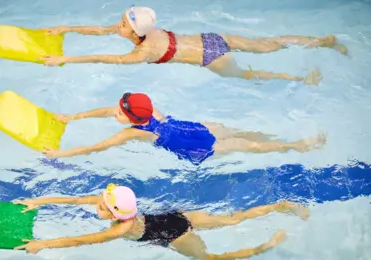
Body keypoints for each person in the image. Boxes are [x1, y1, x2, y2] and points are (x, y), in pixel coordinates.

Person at [40, 6, 347, 85]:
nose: (115, 25)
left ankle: (299, 79)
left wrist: (66, 59)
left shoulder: (143, 51)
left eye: (121, 23)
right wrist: (65, 28)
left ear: (133, 31)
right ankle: (321, 42)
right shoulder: (147, 32)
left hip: (211, 58)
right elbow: (99, 30)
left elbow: (106, 59)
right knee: (268, 45)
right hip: (209, 38)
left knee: (249, 76)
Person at [13, 183, 310, 260]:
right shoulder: (115, 203)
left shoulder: (120, 229)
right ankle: (279, 206)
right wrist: (38, 202)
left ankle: (265, 246)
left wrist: (43, 244)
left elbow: (82, 241)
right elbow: (76, 200)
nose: (96, 205)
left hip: (178, 233)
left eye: (102, 207)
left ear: (116, 215)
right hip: (177, 215)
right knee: (233, 218)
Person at [43, 92, 326, 165]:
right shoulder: (147, 108)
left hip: (198, 147)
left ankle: (295, 145)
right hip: (196, 127)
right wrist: (73, 117)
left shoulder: (133, 133)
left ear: (129, 120)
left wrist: (61, 154)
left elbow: (97, 147)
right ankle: (287, 140)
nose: (112, 112)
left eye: (119, 112)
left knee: (249, 145)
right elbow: (106, 110)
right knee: (243, 134)